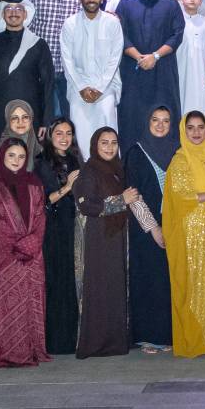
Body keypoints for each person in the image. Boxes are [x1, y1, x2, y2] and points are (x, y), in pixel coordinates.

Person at [0, 140, 50, 368]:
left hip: (32, 257)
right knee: (6, 306)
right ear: (2, 157)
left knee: (30, 303)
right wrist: (17, 246)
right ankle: (7, 353)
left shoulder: (34, 184)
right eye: (11, 155)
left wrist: (31, 244)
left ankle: (31, 350)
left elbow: (40, 218)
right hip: (4, 259)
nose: (16, 160)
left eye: (21, 156)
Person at [75, 127, 145, 357]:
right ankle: (96, 344)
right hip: (98, 239)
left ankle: (114, 342)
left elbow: (131, 201)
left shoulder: (116, 170)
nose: (109, 147)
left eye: (113, 142)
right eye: (104, 142)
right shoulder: (89, 171)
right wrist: (119, 200)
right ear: (95, 145)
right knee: (99, 289)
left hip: (115, 238)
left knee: (114, 289)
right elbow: (87, 205)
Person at [164, 111, 205, 358]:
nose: (197, 133)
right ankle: (196, 339)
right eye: (191, 128)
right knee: (195, 285)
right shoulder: (180, 161)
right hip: (191, 231)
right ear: (183, 131)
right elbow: (178, 196)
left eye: (201, 127)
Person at [126, 107, 179, 353]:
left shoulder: (179, 152)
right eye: (155, 120)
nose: (160, 125)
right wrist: (154, 227)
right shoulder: (136, 153)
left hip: (176, 224)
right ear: (147, 122)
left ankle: (168, 334)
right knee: (149, 280)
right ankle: (147, 335)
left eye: (166, 121)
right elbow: (133, 196)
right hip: (145, 229)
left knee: (169, 280)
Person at [116, 0, 185, 147]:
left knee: (165, 117)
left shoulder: (171, 5)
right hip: (133, 73)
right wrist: (139, 57)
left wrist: (155, 56)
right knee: (132, 119)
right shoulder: (125, 5)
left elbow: (177, 35)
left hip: (163, 73)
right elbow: (119, 36)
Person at [33, 120, 83, 355]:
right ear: (50, 136)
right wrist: (67, 187)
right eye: (59, 133)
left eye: (68, 133)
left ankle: (73, 337)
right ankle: (54, 341)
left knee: (73, 283)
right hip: (53, 231)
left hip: (75, 227)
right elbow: (42, 201)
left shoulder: (76, 161)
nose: (64, 137)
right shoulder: (42, 163)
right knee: (56, 282)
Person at [0, 0, 53, 142]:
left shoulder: (39, 44)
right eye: (9, 9)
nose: (14, 12)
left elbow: (47, 85)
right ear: (3, 15)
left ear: (25, 14)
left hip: (31, 112)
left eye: (18, 9)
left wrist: (45, 121)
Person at [61, 0, 124, 142]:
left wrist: (100, 88)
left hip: (107, 88)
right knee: (81, 137)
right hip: (78, 89)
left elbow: (115, 59)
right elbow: (67, 60)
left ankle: (109, 168)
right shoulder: (70, 24)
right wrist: (82, 87)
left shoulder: (112, 22)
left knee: (107, 136)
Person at [24, 0, 80, 123]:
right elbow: (26, 29)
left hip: (70, 71)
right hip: (41, 68)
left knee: (69, 120)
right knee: (45, 120)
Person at [170, 0, 205, 128]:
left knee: (200, 105)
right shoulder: (175, 22)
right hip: (179, 71)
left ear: (201, 1)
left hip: (200, 73)